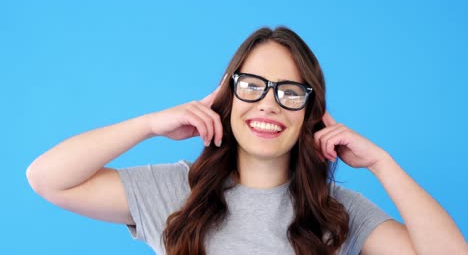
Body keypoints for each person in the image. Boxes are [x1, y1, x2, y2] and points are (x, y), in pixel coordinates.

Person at [26, 27, 467, 255]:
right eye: (252, 85)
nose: (269, 105)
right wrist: (148, 124)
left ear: (309, 113)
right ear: (228, 96)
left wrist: (382, 164)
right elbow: (47, 178)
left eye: (289, 93)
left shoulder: (337, 213)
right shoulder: (177, 192)